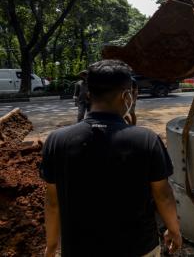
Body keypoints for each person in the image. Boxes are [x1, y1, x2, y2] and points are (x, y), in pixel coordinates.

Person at [40, 59, 182, 257]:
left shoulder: (57, 141)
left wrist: (52, 245)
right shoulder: (146, 140)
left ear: (89, 94)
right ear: (126, 96)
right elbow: (163, 195)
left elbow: (52, 202)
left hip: (79, 249)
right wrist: (174, 230)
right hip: (138, 248)